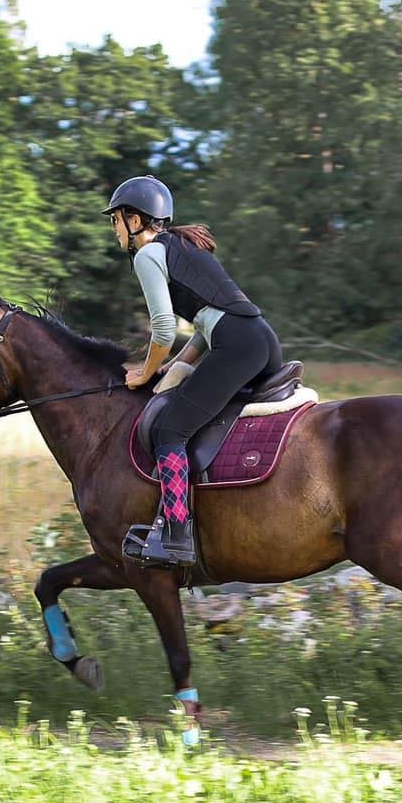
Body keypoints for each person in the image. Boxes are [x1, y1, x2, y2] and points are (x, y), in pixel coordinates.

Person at [103, 175, 284, 567]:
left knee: (170, 429)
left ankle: (177, 535)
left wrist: (145, 372)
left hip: (237, 347)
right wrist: (179, 366)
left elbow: (164, 329)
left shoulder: (148, 255)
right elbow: (207, 324)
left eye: (115, 219)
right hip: (260, 341)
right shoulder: (180, 246)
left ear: (134, 220)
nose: (113, 228)